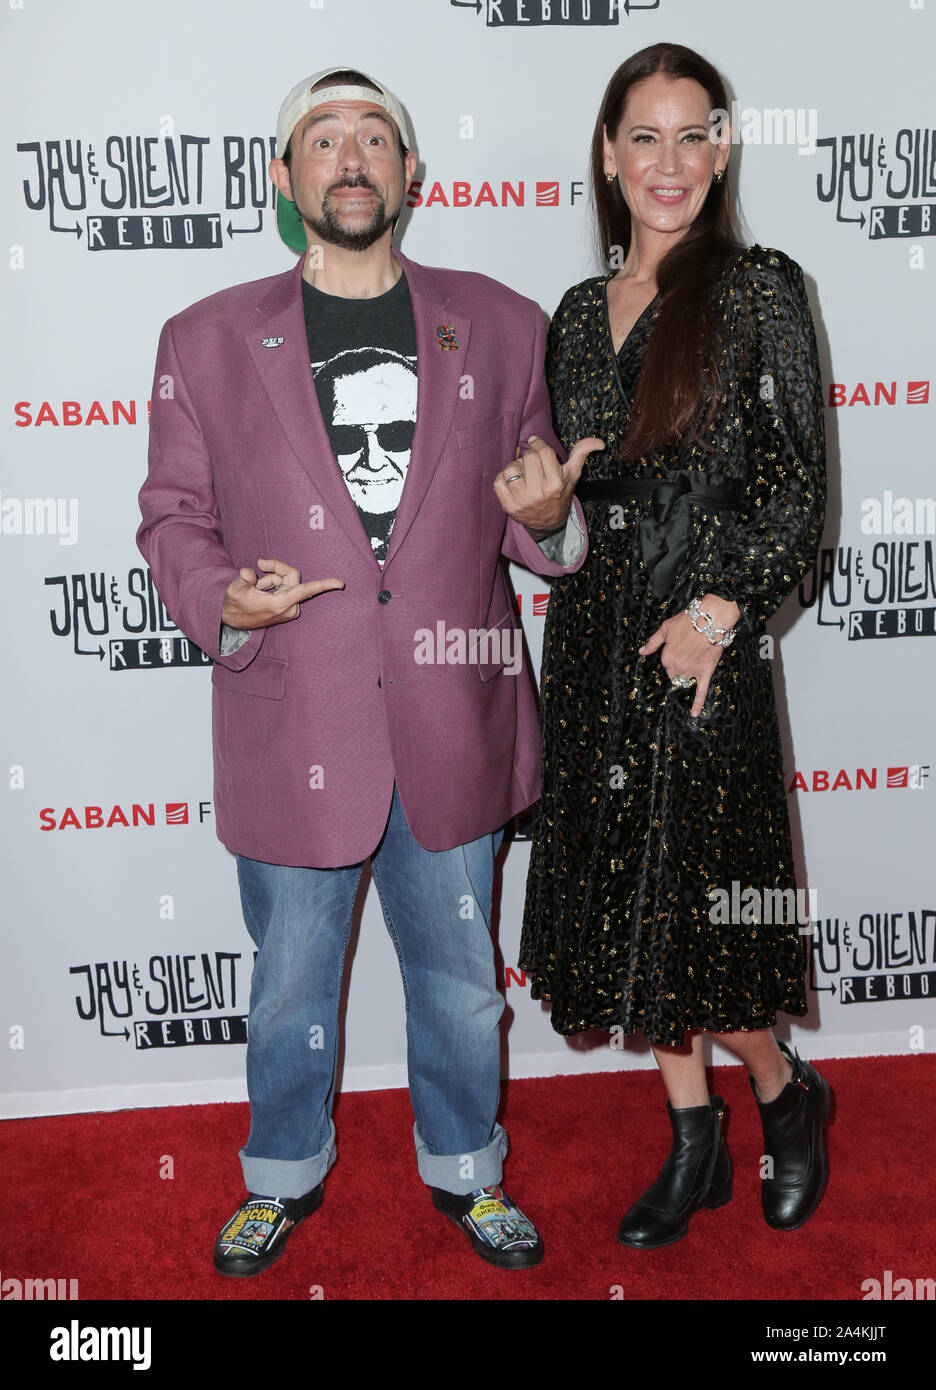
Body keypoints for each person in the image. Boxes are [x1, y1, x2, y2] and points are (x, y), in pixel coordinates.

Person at [137, 66, 599, 1276]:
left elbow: (526, 515)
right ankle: (280, 1175)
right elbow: (174, 518)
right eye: (323, 139)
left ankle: (466, 1169)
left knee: (459, 983)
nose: (352, 157)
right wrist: (217, 599)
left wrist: (552, 519)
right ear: (284, 180)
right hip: (295, 724)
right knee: (289, 988)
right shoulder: (205, 339)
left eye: (376, 138)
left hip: (455, 718)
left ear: (412, 176)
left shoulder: (500, 324)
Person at [518, 42, 831, 1247]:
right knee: (623, 911)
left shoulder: (758, 289)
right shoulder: (571, 315)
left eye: (691, 133)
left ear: (724, 147)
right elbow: (571, 513)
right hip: (598, 650)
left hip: (704, 651)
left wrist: (716, 616)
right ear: (608, 154)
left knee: (702, 923)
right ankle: (693, 1137)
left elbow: (800, 497)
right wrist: (547, 517)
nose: (668, 161)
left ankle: (787, 1089)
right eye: (642, 136)